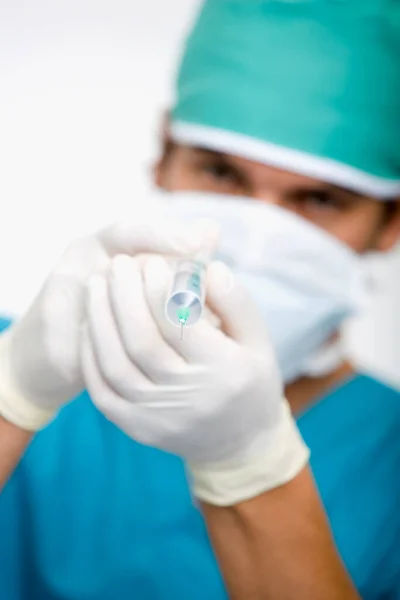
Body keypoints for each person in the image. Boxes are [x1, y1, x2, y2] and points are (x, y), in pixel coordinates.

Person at [1, 0, 400, 598]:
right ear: (163, 156)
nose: (258, 241)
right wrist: (12, 392)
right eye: (220, 173)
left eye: (319, 200)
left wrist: (253, 464)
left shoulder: (387, 456)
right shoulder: (28, 354)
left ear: (390, 222)